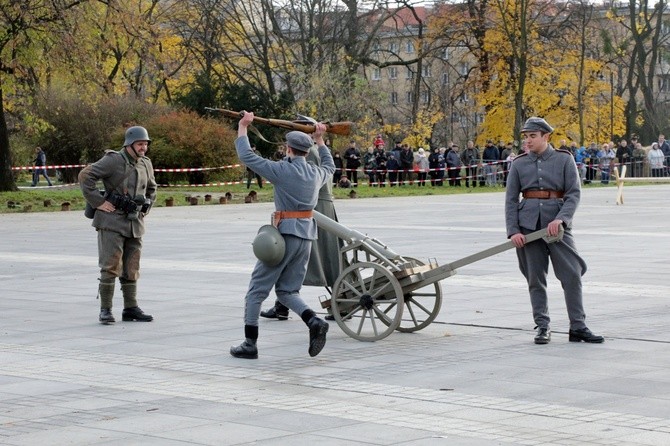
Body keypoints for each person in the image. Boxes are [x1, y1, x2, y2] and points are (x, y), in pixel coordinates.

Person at [230, 111, 333, 359]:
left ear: (288, 149)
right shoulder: (316, 173)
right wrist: (320, 139)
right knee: (287, 292)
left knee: (256, 291)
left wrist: (243, 126)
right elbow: (330, 166)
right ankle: (313, 321)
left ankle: (250, 344)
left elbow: (247, 156)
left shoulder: (281, 171)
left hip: (284, 236)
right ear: (306, 152)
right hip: (307, 236)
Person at [505, 117, 603, 345]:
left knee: (572, 275)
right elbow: (511, 200)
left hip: (557, 228)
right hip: (528, 227)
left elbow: (573, 194)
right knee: (535, 279)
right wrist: (513, 231)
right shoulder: (519, 164)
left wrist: (561, 219)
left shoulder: (564, 159)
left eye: (532, 136)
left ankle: (578, 326)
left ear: (545, 136)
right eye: (526, 136)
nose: (527, 141)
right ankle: (542, 326)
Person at [79, 126, 157, 324]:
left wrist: (146, 207)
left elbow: (152, 188)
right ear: (129, 144)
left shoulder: (146, 163)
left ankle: (130, 308)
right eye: (140, 144)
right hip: (112, 221)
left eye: (146, 144)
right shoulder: (113, 160)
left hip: (134, 223)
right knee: (110, 265)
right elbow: (85, 177)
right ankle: (105, 310)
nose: (144, 148)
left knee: (132, 266)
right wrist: (99, 202)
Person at [260, 141, 343, 321]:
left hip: (309, 210)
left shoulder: (308, 152)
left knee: (298, 258)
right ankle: (282, 305)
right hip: (318, 208)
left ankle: (341, 301)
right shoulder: (317, 149)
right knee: (328, 258)